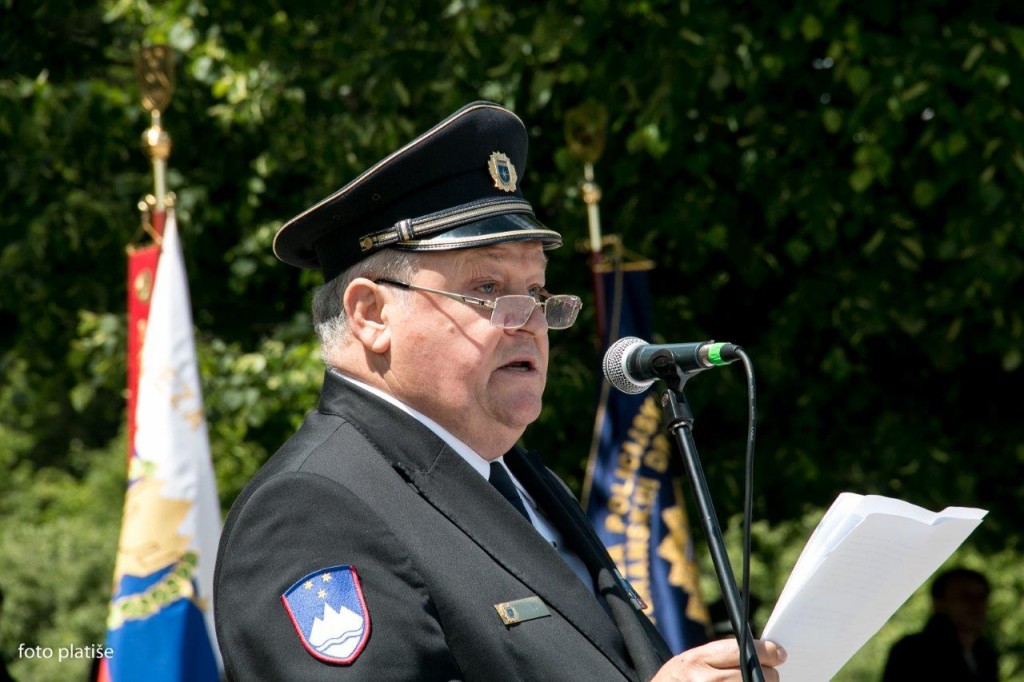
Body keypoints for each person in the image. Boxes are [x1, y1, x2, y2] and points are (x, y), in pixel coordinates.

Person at [213, 101, 785, 681]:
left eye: (537, 291)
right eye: (488, 288)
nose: (530, 320)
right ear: (371, 314)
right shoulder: (312, 509)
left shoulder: (521, 479)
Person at [882, 567, 999, 682]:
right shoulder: (912, 652)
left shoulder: (984, 654)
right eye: (965, 597)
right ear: (939, 602)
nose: (976, 605)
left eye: (981, 597)